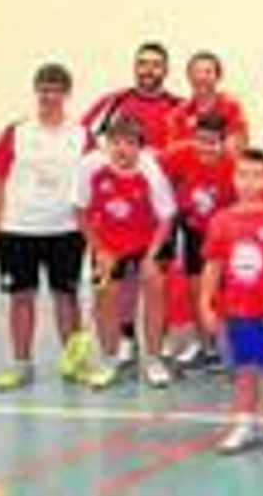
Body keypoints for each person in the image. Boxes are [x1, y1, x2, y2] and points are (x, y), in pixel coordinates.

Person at [0, 64, 90, 390]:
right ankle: (21, 365)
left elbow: (93, 182)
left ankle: (74, 362)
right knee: (22, 298)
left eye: (56, 90)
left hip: (65, 229)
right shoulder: (16, 132)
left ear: (66, 94)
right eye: (44, 89)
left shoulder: (81, 135)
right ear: (37, 92)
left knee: (67, 298)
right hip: (18, 229)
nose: (49, 96)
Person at [74, 117, 177, 389]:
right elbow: (79, 211)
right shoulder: (90, 166)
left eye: (130, 143)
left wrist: (151, 257)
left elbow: (166, 218)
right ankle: (109, 359)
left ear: (140, 147)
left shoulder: (150, 171)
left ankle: (154, 360)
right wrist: (99, 250)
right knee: (105, 295)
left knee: (154, 286)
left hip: (148, 239)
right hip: (107, 242)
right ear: (106, 144)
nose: (122, 149)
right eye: (115, 142)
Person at [203, 150, 263, 455]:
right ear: (234, 178)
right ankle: (244, 424)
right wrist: (205, 303)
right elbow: (213, 265)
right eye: (243, 174)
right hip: (236, 310)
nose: (249, 182)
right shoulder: (221, 220)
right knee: (244, 369)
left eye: (257, 175)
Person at [155, 113, 236, 385]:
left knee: (225, 292)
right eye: (201, 140)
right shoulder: (178, 155)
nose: (206, 147)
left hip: (224, 234)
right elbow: (151, 169)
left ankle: (228, 348)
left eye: (212, 142)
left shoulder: (232, 166)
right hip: (191, 229)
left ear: (223, 143)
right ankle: (206, 346)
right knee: (197, 288)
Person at [83, 42, 183, 150]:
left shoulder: (181, 107)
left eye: (156, 65)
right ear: (134, 68)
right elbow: (81, 138)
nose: (149, 70)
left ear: (166, 71)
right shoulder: (113, 102)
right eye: (142, 63)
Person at [164, 51, 250, 151]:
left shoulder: (231, 106)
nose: (202, 77)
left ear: (218, 76)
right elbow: (175, 149)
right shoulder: (179, 113)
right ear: (189, 77)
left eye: (208, 72)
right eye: (197, 72)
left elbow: (237, 145)